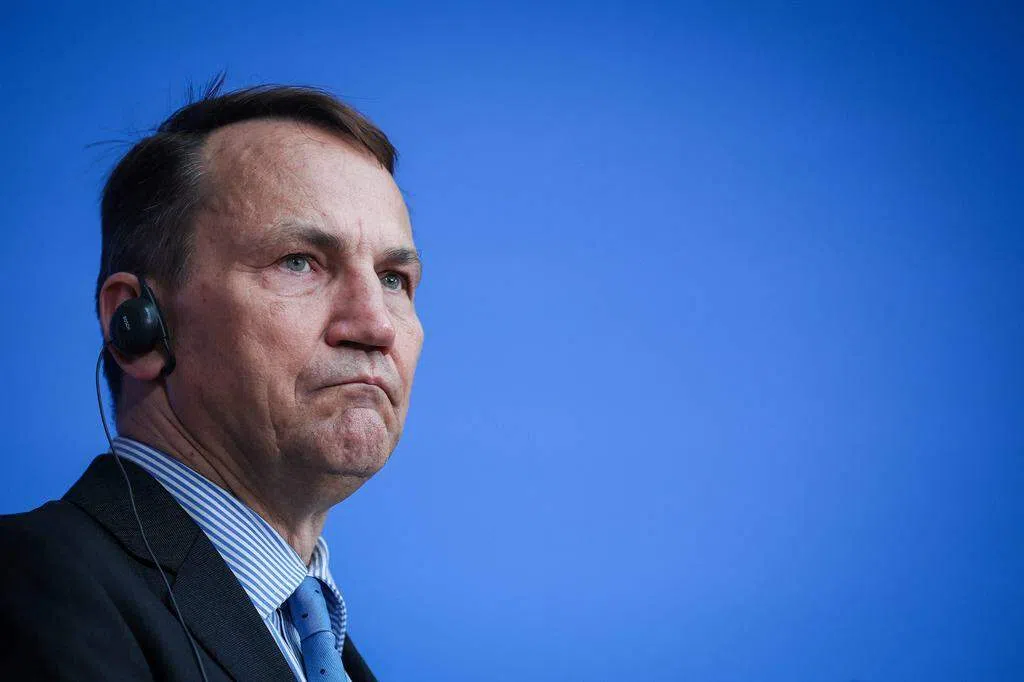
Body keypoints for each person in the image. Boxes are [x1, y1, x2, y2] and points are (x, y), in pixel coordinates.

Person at [0, 78, 425, 681]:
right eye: (299, 262)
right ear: (139, 326)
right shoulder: (29, 588)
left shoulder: (317, 645)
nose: (376, 325)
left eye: (392, 278)